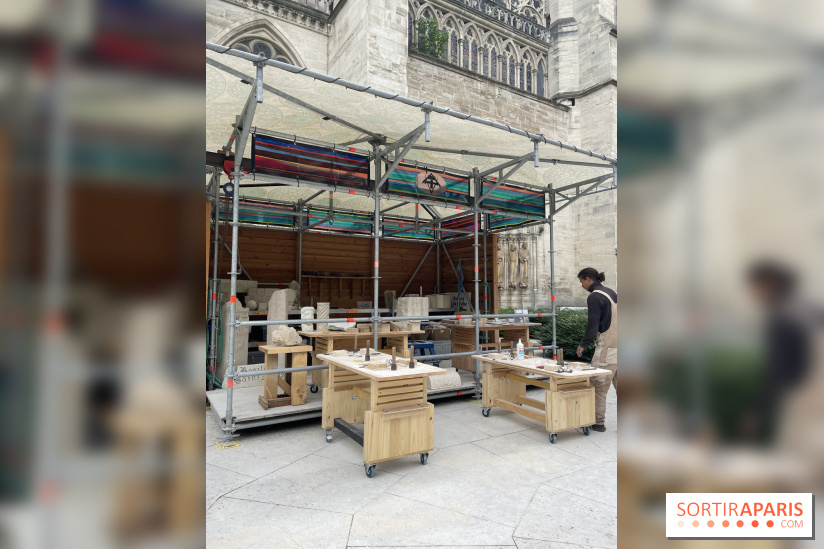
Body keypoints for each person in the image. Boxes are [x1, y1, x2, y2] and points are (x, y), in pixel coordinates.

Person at [575, 267, 617, 432]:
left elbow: (593, 325)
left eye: (581, 282)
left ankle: (598, 422)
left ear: (588, 279)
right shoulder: (612, 293)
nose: (582, 286)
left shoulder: (594, 297)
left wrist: (583, 344)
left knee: (598, 386)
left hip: (607, 350)